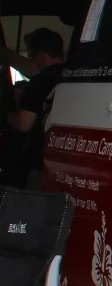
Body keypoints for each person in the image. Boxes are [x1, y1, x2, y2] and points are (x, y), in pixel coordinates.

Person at [2, 28, 66, 189]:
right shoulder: (74, 76)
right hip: (63, 158)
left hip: (40, 161)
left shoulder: (39, 82)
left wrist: (5, 113)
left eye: (31, 55)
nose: (32, 60)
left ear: (41, 54)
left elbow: (23, 124)